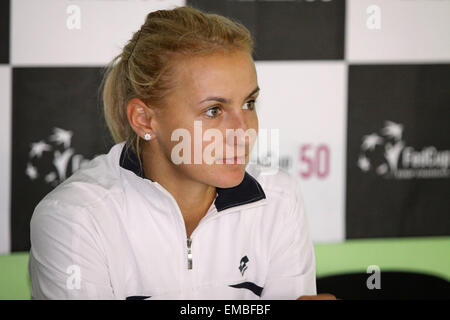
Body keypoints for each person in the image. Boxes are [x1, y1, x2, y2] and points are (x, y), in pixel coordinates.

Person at [28, 5, 334, 300]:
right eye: (214, 110)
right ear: (144, 119)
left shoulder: (278, 199)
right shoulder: (75, 218)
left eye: (248, 103)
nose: (244, 132)